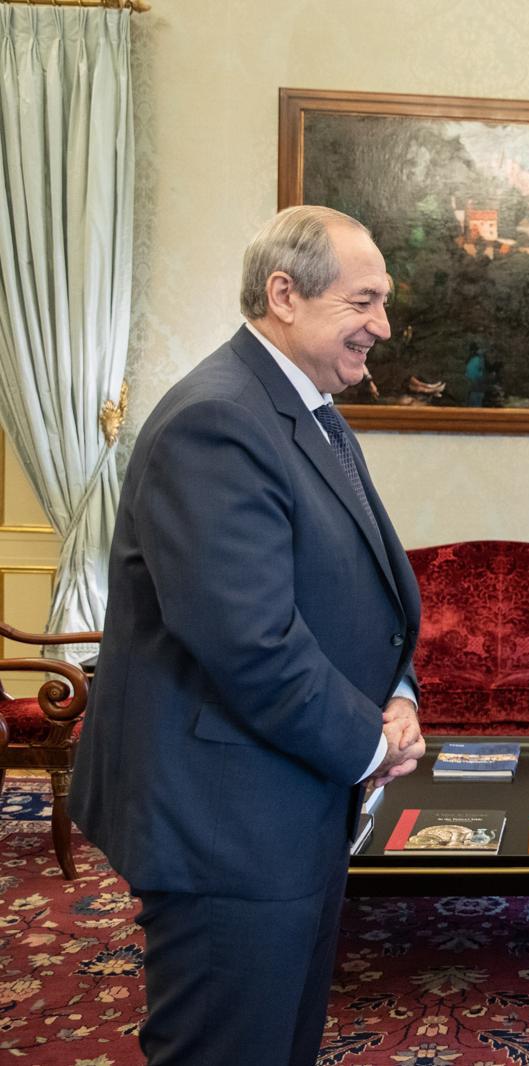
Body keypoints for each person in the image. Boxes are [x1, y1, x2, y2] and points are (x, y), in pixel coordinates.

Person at [70, 205, 428, 1066]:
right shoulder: (219, 421)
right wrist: (366, 743)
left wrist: (399, 691)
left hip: (283, 802)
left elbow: (357, 593)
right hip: (225, 822)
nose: (382, 326)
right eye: (364, 302)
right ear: (284, 295)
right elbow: (250, 641)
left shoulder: (304, 410)